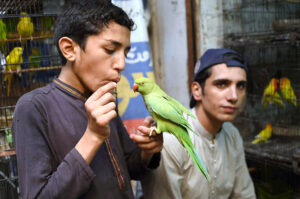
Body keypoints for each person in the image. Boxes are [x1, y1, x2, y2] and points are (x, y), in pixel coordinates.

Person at [12, 1, 163, 198]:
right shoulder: (34, 107)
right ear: (69, 49)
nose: (121, 64)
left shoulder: (104, 98)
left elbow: (127, 169)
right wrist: (93, 135)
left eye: (125, 53)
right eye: (110, 50)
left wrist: (147, 151)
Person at [142, 48, 256, 199]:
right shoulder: (171, 138)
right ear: (197, 90)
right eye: (222, 84)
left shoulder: (231, 134)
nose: (233, 96)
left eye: (240, 86)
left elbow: (244, 195)